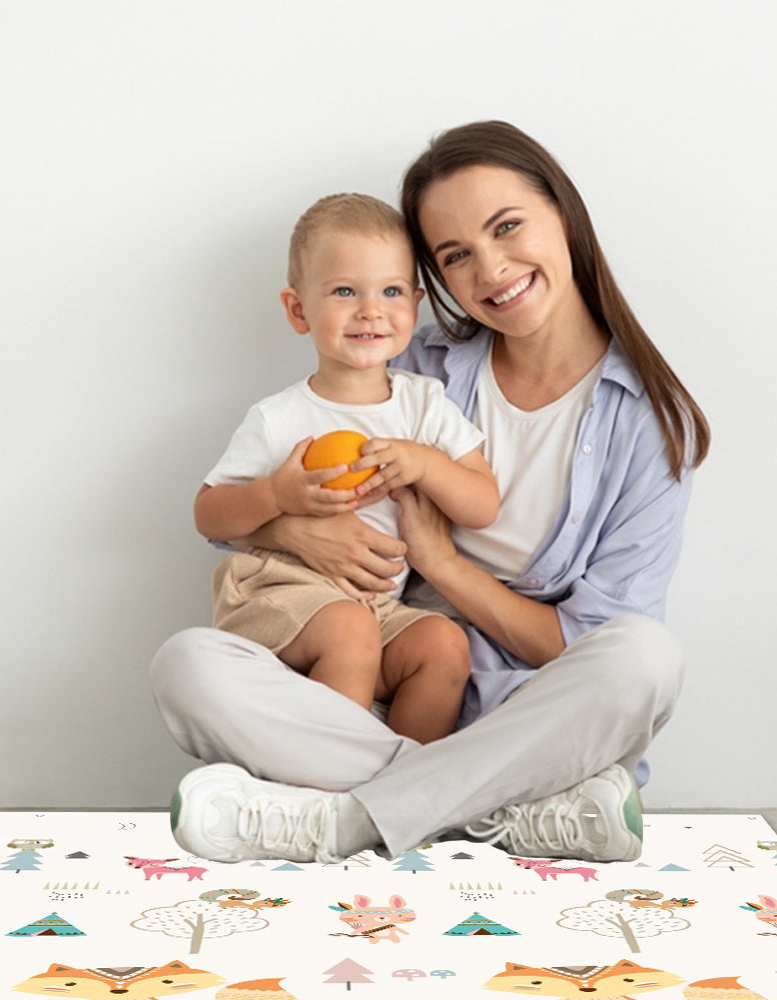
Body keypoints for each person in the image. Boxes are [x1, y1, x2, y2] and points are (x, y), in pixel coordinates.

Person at [151, 121, 710, 867]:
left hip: (529, 718)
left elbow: (585, 644)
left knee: (645, 657)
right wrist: (294, 530)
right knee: (186, 664)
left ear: (565, 215)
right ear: (434, 280)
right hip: (378, 707)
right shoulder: (409, 364)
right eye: (456, 255)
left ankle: (341, 821)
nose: (491, 269)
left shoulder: (646, 422)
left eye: (507, 227)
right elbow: (234, 515)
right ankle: (496, 815)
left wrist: (442, 566)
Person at [195, 193, 498, 745]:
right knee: (348, 628)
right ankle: (324, 790)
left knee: (444, 645)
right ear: (298, 310)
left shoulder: (424, 406)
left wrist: (425, 464)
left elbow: (483, 505)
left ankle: (401, 788)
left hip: (377, 607)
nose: (370, 309)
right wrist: (276, 494)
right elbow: (209, 514)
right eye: (343, 291)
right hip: (278, 592)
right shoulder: (279, 417)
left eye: (390, 291)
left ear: (416, 302)